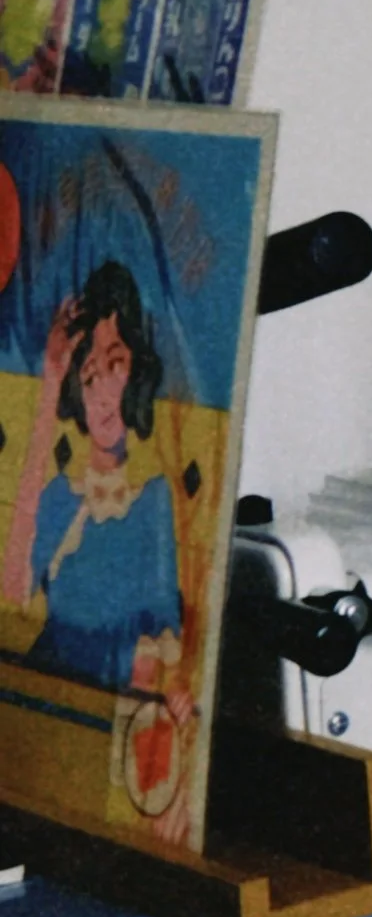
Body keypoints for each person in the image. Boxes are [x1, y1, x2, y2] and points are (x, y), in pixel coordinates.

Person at [0, 260, 184, 696]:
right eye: (88, 377)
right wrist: (50, 384)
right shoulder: (60, 496)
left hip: (113, 699)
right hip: (48, 697)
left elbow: (165, 625)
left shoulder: (153, 499)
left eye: (115, 364)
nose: (102, 394)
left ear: (136, 370)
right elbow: (13, 589)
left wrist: (167, 683)